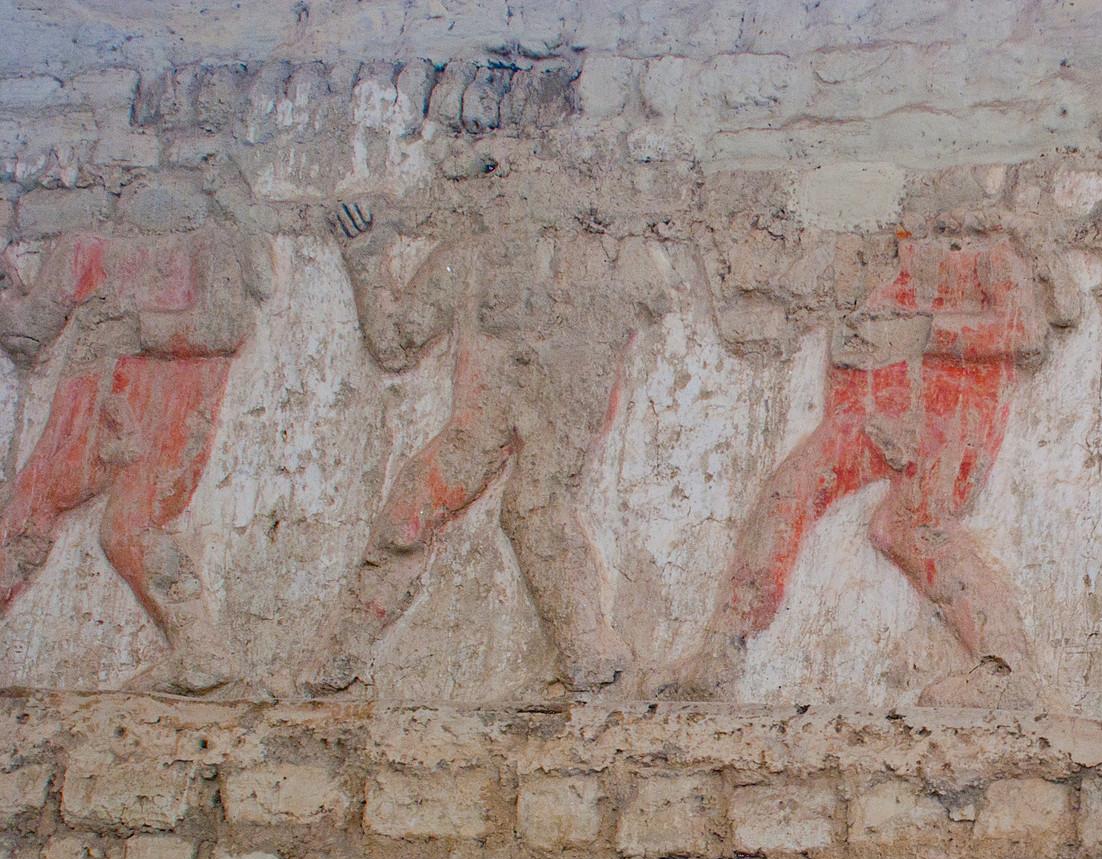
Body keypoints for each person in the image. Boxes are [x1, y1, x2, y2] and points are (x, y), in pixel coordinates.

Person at [305, 173, 675, 694]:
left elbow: (652, 299)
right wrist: (365, 256)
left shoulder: (609, 259)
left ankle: (588, 657)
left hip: (554, 429)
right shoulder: (471, 257)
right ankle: (340, 660)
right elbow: (394, 343)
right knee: (407, 515)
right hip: (476, 430)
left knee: (534, 508)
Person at [653, 226, 1052, 708]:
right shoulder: (877, 247)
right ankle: (720, 654)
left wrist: (921, 332)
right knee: (790, 490)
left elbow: (1025, 331)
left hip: (953, 408)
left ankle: (1007, 667)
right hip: (872, 407)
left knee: (908, 527)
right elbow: (849, 331)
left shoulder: (987, 250)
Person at [0, 168, 272, 692]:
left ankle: (202, 651)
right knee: (27, 515)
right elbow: (27, 334)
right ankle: (202, 652)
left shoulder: (209, 244)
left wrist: (134, 326)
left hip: (168, 405)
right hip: (88, 406)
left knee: (127, 531)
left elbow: (225, 325)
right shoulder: (83, 249)